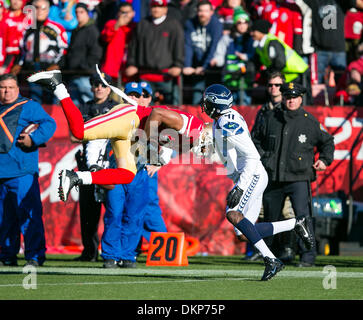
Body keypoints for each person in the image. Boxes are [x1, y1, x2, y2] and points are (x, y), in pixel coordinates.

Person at [27, 69, 205, 203]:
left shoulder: (191, 143)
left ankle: (77, 177)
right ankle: (57, 85)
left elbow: (165, 141)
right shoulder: (192, 126)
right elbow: (157, 113)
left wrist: (156, 157)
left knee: (127, 174)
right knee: (79, 132)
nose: (205, 153)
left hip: (132, 133)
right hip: (130, 118)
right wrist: (145, 144)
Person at [199, 83, 314, 280]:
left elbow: (252, 156)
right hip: (247, 174)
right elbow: (229, 152)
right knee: (243, 232)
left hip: (252, 174)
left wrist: (241, 187)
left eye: (208, 102)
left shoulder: (227, 122)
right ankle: (296, 224)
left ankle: (271, 260)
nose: (205, 106)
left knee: (233, 214)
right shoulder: (222, 120)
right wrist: (209, 149)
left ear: (216, 105)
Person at [251, 82, 335, 267]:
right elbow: (255, 140)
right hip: (273, 176)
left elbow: (327, 141)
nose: (291, 100)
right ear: (283, 97)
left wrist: (325, 160)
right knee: (271, 219)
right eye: (288, 97)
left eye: (294, 97)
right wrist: (264, 158)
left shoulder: (309, 121)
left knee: (303, 218)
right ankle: (270, 257)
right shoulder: (270, 117)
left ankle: (308, 257)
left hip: (299, 177)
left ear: (301, 98)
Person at [101, 81, 170, 268]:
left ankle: (128, 255)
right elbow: (98, 139)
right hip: (116, 170)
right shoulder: (113, 113)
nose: (135, 98)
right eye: (130, 94)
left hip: (139, 172)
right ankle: (110, 255)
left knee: (135, 215)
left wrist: (160, 162)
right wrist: (96, 166)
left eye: (138, 95)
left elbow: (169, 141)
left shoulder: (151, 117)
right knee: (114, 213)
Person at [0, 73, 56, 267]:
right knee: (4, 219)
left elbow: (50, 123)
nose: (6, 91)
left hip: (22, 171)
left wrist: (34, 139)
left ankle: (34, 255)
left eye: (10, 87)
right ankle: (7, 254)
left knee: (28, 215)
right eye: (2, 88)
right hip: (1, 172)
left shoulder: (29, 106)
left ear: (18, 89)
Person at [73, 71, 119, 262]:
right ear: (91, 87)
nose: (98, 88)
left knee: (115, 210)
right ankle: (89, 252)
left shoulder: (117, 108)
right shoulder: (84, 107)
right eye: (95, 84)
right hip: (88, 165)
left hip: (111, 164)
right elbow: (74, 135)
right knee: (88, 211)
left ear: (109, 88)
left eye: (102, 84)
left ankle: (121, 251)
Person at [125, 0, 184, 105]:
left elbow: (179, 47)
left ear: (165, 9)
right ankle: (150, 123)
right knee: (145, 108)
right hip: (145, 75)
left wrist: (178, 65)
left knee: (171, 108)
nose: (156, 9)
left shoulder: (174, 25)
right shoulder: (142, 24)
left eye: (159, 7)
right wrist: (131, 64)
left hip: (166, 76)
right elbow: (133, 47)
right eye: (153, 6)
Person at [11, 0, 68, 104]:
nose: (39, 11)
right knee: (34, 100)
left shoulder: (57, 28)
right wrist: (18, 64)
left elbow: (64, 51)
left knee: (52, 101)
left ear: (48, 10)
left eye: (43, 8)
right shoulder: (26, 29)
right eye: (36, 8)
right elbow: (23, 51)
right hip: (31, 71)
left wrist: (57, 65)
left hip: (50, 70)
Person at [58, 2, 103, 106]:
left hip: (85, 76)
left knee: (90, 106)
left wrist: (84, 67)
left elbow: (96, 53)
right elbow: (70, 52)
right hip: (73, 75)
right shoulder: (76, 31)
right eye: (76, 12)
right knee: (76, 109)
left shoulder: (92, 30)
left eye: (81, 12)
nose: (78, 14)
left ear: (87, 14)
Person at [210, 6, 255, 105]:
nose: (242, 25)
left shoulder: (251, 39)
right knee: (230, 105)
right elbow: (220, 53)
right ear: (235, 24)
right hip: (229, 78)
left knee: (245, 104)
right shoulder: (227, 38)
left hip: (245, 79)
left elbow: (255, 55)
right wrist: (216, 60)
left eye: (245, 22)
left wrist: (246, 57)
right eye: (239, 22)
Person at [183, 0, 223, 104]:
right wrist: (187, 65)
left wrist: (205, 66)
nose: (202, 14)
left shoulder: (216, 25)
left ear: (211, 12)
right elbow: (188, 46)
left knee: (215, 99)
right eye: (200, 11)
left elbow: (214, 46)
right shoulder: (190, 23)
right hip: (196, 67)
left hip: (213, 67)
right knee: (197, 97)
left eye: (205, 11)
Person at [100, 2, 136, 84]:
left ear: (133, 13)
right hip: (112, 71)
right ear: (118, 13)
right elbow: (105, 38)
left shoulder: (135, 27)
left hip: (129, 72)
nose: (125, 15)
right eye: (123, 12)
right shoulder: (111, 24)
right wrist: (117, 25)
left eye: (128, 12)